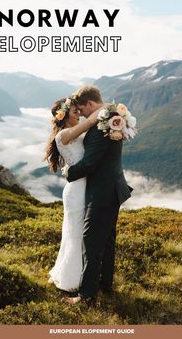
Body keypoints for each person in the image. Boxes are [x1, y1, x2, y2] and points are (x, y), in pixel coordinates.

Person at [61, 86, 132, 306]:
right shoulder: (110, 117)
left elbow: (90, 163)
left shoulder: (104, 124)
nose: (80, 114)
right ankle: (105, 285)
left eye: (81, 109)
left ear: (90, 104)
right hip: (112, 187)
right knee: (108, 239)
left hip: (103, 191)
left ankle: (87, 296)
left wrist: (68, 172)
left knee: (90, 241)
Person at [44, 96, 104, 292]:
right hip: (76, 191)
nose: (79, 114)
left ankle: (83, 276)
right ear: (63, 116)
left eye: (79, 111)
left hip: (84, 187)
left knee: (79, 233)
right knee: (77, 234)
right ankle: (73, 280)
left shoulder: (71, 133)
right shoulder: (63, 135)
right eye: (74, 112)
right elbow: (90, 122)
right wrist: (108, 109)